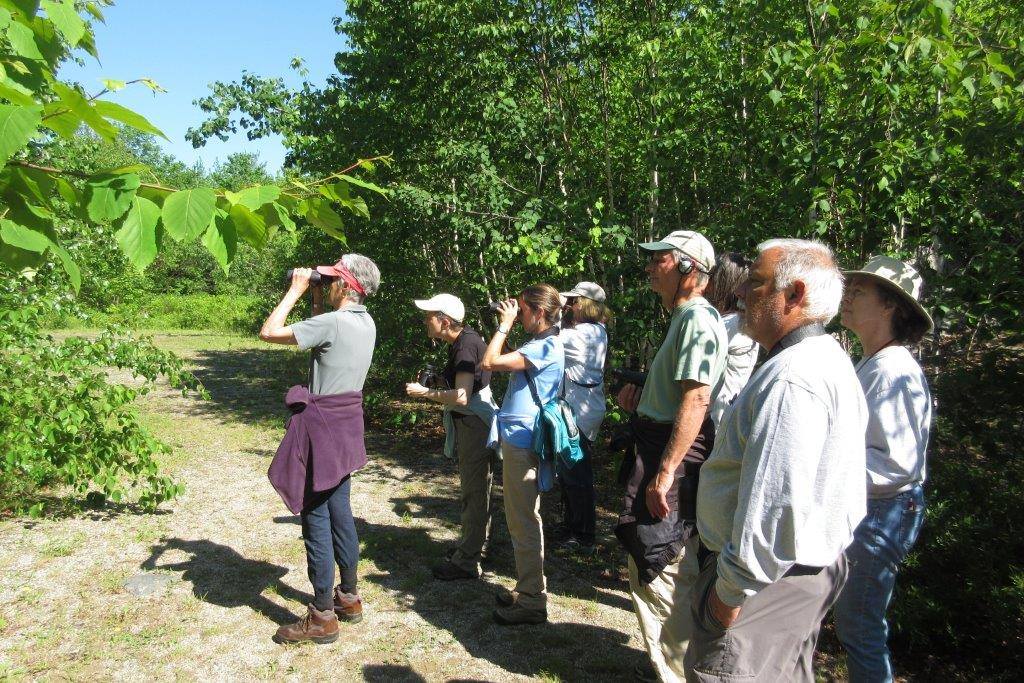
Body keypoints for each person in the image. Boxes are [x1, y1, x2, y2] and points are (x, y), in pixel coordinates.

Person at [685, 238, 867, 681]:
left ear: (795, 295)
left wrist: (725, 596)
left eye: (757, 282)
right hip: (792, 578)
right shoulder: (823, 358)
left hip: (764, 586)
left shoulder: (794, 378)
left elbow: (774, 506)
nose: (743, 292)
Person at [615, 231, 728, 682]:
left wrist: (663, 473)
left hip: (669, 462)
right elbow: (677, 397)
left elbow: (697, 400)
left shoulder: (698, 320)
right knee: (655, 566)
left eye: (657, 259)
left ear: (687, 268)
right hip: (658, 450)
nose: (648, 267)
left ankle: (680, 673)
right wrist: (642, 399)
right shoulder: (685, 319)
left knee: (659, 564)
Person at [259, 254, 381, 644]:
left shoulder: (331, 322)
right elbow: (322, 343)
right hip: (346, 424)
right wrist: (315, 297)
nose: (325, 285)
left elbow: (269, 331)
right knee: (340, 509)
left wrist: (295, 290)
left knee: (315, 517)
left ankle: (323, 615)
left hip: (322, 429)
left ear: (345, 286)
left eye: (330, 280)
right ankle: (349, 597)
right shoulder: (365, 321)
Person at [833, 255, 933, 683]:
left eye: (860, 291)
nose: (847, 296)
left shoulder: (893, 371)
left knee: (860, 626)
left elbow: (896, 464)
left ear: (891, 306)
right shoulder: (875, 362)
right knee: (855, 624)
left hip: (883, 512)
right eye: (848, 288)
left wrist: (827, 470)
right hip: (872, 508)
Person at [480, 284, 565, 625]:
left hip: (523, 440)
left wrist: (504, 325)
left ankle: (532, 599)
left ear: (539, 312)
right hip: (520, 438)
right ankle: (528, 587)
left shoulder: (546, 346)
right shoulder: (539, 345)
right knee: (521, 517)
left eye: (524, 311)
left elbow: (489, 361)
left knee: (523, 518)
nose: (521, 315)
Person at [404, 293, 500, 581]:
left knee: (474, 491)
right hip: (473, 421)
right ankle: (474, 547)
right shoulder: (464, 341)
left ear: (444, 321)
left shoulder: (465, 346)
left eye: (429, 315)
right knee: (478, 489)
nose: (425, 320)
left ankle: (467, 560)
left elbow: (461, 396)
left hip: (474, 422)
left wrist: (425, 393)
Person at [555, 281, 610, 553]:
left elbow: (550, 339)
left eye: (575, 301)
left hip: (579, 412)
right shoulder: (595, 330)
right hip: (582, 408)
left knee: (576, 474)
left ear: (585, 305)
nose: (570, 305)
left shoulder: (583, 335)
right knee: (571, 471)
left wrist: (553, 308)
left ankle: (583, 534)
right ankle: (573, 527)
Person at [704, 252, 760, 428]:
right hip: (719, 420)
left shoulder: (732, 324)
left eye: (713, 277)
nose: (707, 282)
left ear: (723, 282)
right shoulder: (736, 322)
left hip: (713, 422)